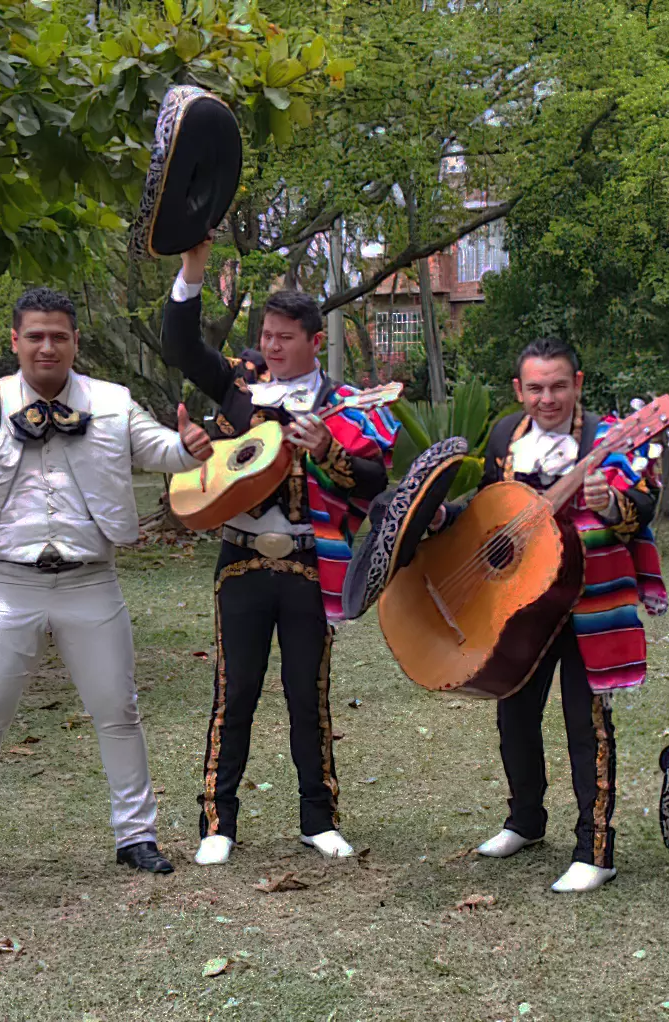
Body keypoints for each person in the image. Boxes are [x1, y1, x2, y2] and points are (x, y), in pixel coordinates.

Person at [0, 286, 214, 888]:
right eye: (35, 335)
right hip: (7, 581)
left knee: (119, 711)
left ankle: (135, 834)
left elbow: (159, 448)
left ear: (76, 341)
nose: (47, 346)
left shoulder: (112, 401)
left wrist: (189, 448)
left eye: (59, 335)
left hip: (92, 580)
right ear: (14, 341)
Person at [162, 241, 397, 866]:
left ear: (315, 341)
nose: (269, 346)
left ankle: (318, 820)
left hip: (305, 564)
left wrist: (326, 451)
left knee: (306, 692)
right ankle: (218, 822)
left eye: (284, 337)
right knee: (233, 690)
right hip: (239, 558)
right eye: (265, 335)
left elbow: (375, 483)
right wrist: (192, 272)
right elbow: (181, 348)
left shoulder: (341, 405)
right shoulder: (240, 384)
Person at [432, 338, 666, 893]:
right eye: (535, 387)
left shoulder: (611, 436)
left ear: (578, 383)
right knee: (513, 716)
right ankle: (525, 820)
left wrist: (610, 502)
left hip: (592, 600)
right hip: (521, 601)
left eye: (558, 385)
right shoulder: (504, 438)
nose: (547, 398)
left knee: (585, 726)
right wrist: (448, 515)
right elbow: (495, 510)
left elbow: (644, 505)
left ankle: (596, 848)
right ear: (519, 390)